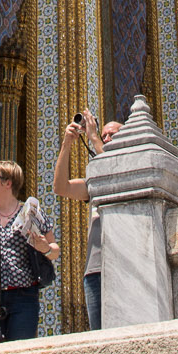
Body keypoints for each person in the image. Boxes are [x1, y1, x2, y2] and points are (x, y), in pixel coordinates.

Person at [0, 159, 57, 344]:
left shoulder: (30, 213)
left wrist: (44, 248)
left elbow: (54, 250)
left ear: (8, 183)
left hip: (23, 297)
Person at [53, 110, 125, 330]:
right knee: (99, 333)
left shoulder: (129, 172)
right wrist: (66, 144)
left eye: (112, 135)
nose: (106, 139)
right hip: (95, 270)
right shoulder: (95, 185)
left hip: (125, 266)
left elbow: (115, 173)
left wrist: (93, 138)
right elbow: (61, 187)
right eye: (104, 136)